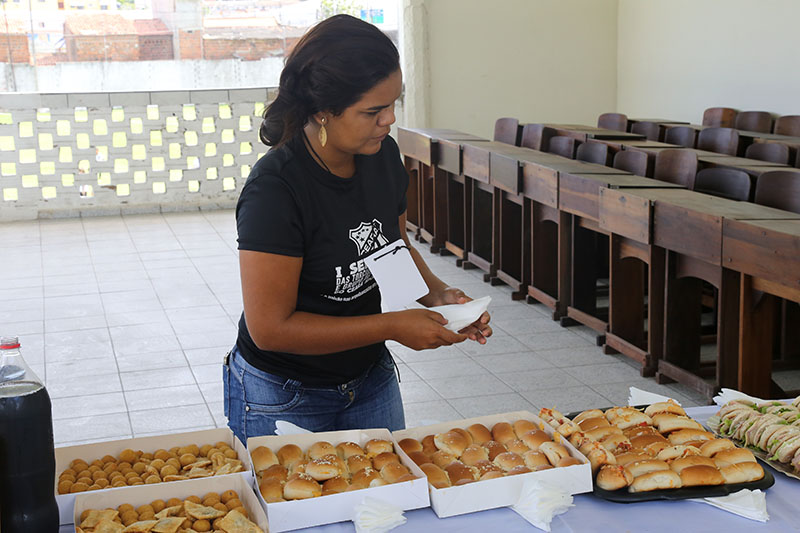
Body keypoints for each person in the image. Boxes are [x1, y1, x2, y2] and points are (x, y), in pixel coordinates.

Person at [223, 14, 492, 444]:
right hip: (285, 392)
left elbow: (392, 246)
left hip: (369, 379)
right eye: (373, 111)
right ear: (323, 111)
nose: (389, 120)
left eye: (393, 104)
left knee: (390, 486)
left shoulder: (381, 156)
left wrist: (439, 297)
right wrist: (392, 325)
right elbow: (270, 329)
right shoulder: (276, 190)